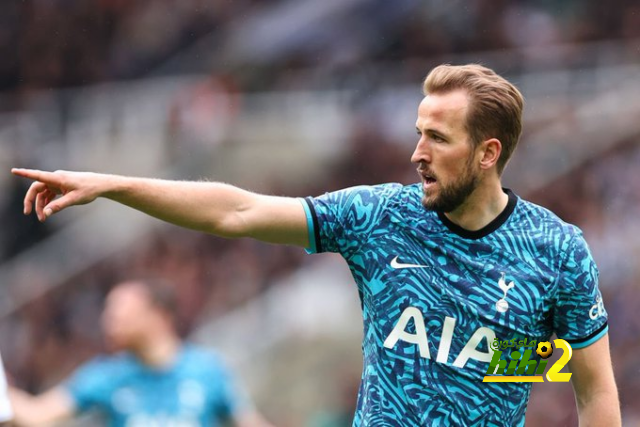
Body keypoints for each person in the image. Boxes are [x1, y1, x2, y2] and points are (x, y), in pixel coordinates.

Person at [12, 64, 621, 426]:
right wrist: (114, 185)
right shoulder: (381, 215)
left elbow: (592, 387)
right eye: (418, 134)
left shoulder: (557, 249)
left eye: (437, 138)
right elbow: (238, 211)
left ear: (488, 153)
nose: (416, 153)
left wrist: (521, 360)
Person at [8, 278, 273, 427]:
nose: (107, 320)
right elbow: (36, 415)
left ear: (157, 315)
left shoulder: (208, 369)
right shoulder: (105, 376)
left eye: (118, 310)